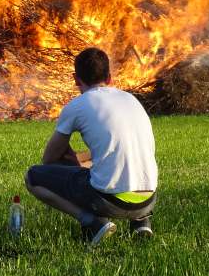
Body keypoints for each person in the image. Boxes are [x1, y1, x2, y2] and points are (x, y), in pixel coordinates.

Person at [25, 47, 159, 248]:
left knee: (33, 177)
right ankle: (141, 223)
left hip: (109, 201)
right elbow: (114, 149)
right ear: (110, 77)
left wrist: (71, 159)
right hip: (148, 199)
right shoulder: (131, 99)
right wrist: (80, 160)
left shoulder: (77, 106)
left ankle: (92, 223)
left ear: (76, 79)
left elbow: (49, 159)